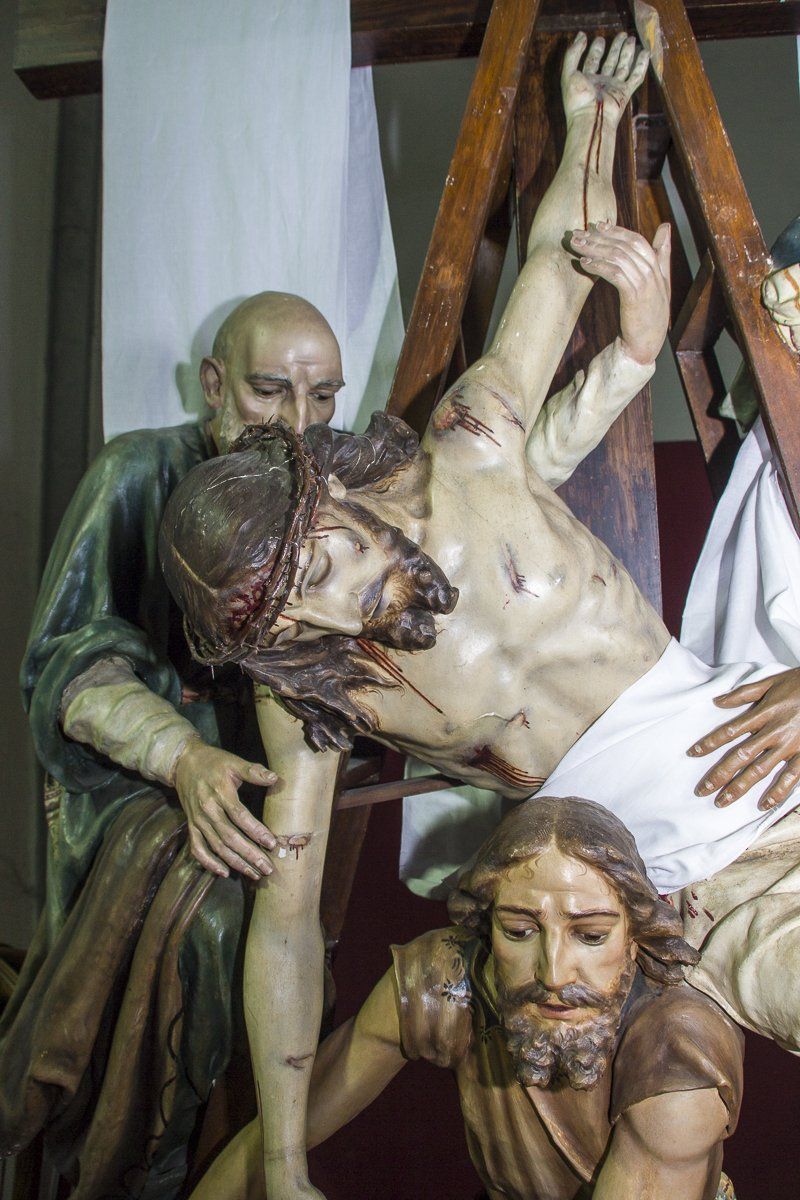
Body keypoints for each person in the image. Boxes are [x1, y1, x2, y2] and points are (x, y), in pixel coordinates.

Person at [159, 33, 800, 1199]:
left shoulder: (470, 449)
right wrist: (288, 1162)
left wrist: (587, 117)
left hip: (774, 775)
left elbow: (550, 269)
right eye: (305, 615)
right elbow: (286, 923)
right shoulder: (318, 691)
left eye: (335, 562)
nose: (346, 608)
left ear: (328, 488)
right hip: (689, 906)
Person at [0, 292, 350, 1199]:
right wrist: (182, 758)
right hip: (135, 788)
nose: (298, 425)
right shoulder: (135, 473)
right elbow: (68, 666)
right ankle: (142, 1165)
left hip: (272, 795)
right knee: (217, 928)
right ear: (213, 385)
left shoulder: (334, 501)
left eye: (322, 398)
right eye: (271, 391)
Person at [189, 797, 743, 1200]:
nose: (553, 973)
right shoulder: (449, 982)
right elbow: (279, 1137)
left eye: (591, 935)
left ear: (636, 936)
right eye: (519, 931)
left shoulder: (677, 1054)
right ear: (485, 929)